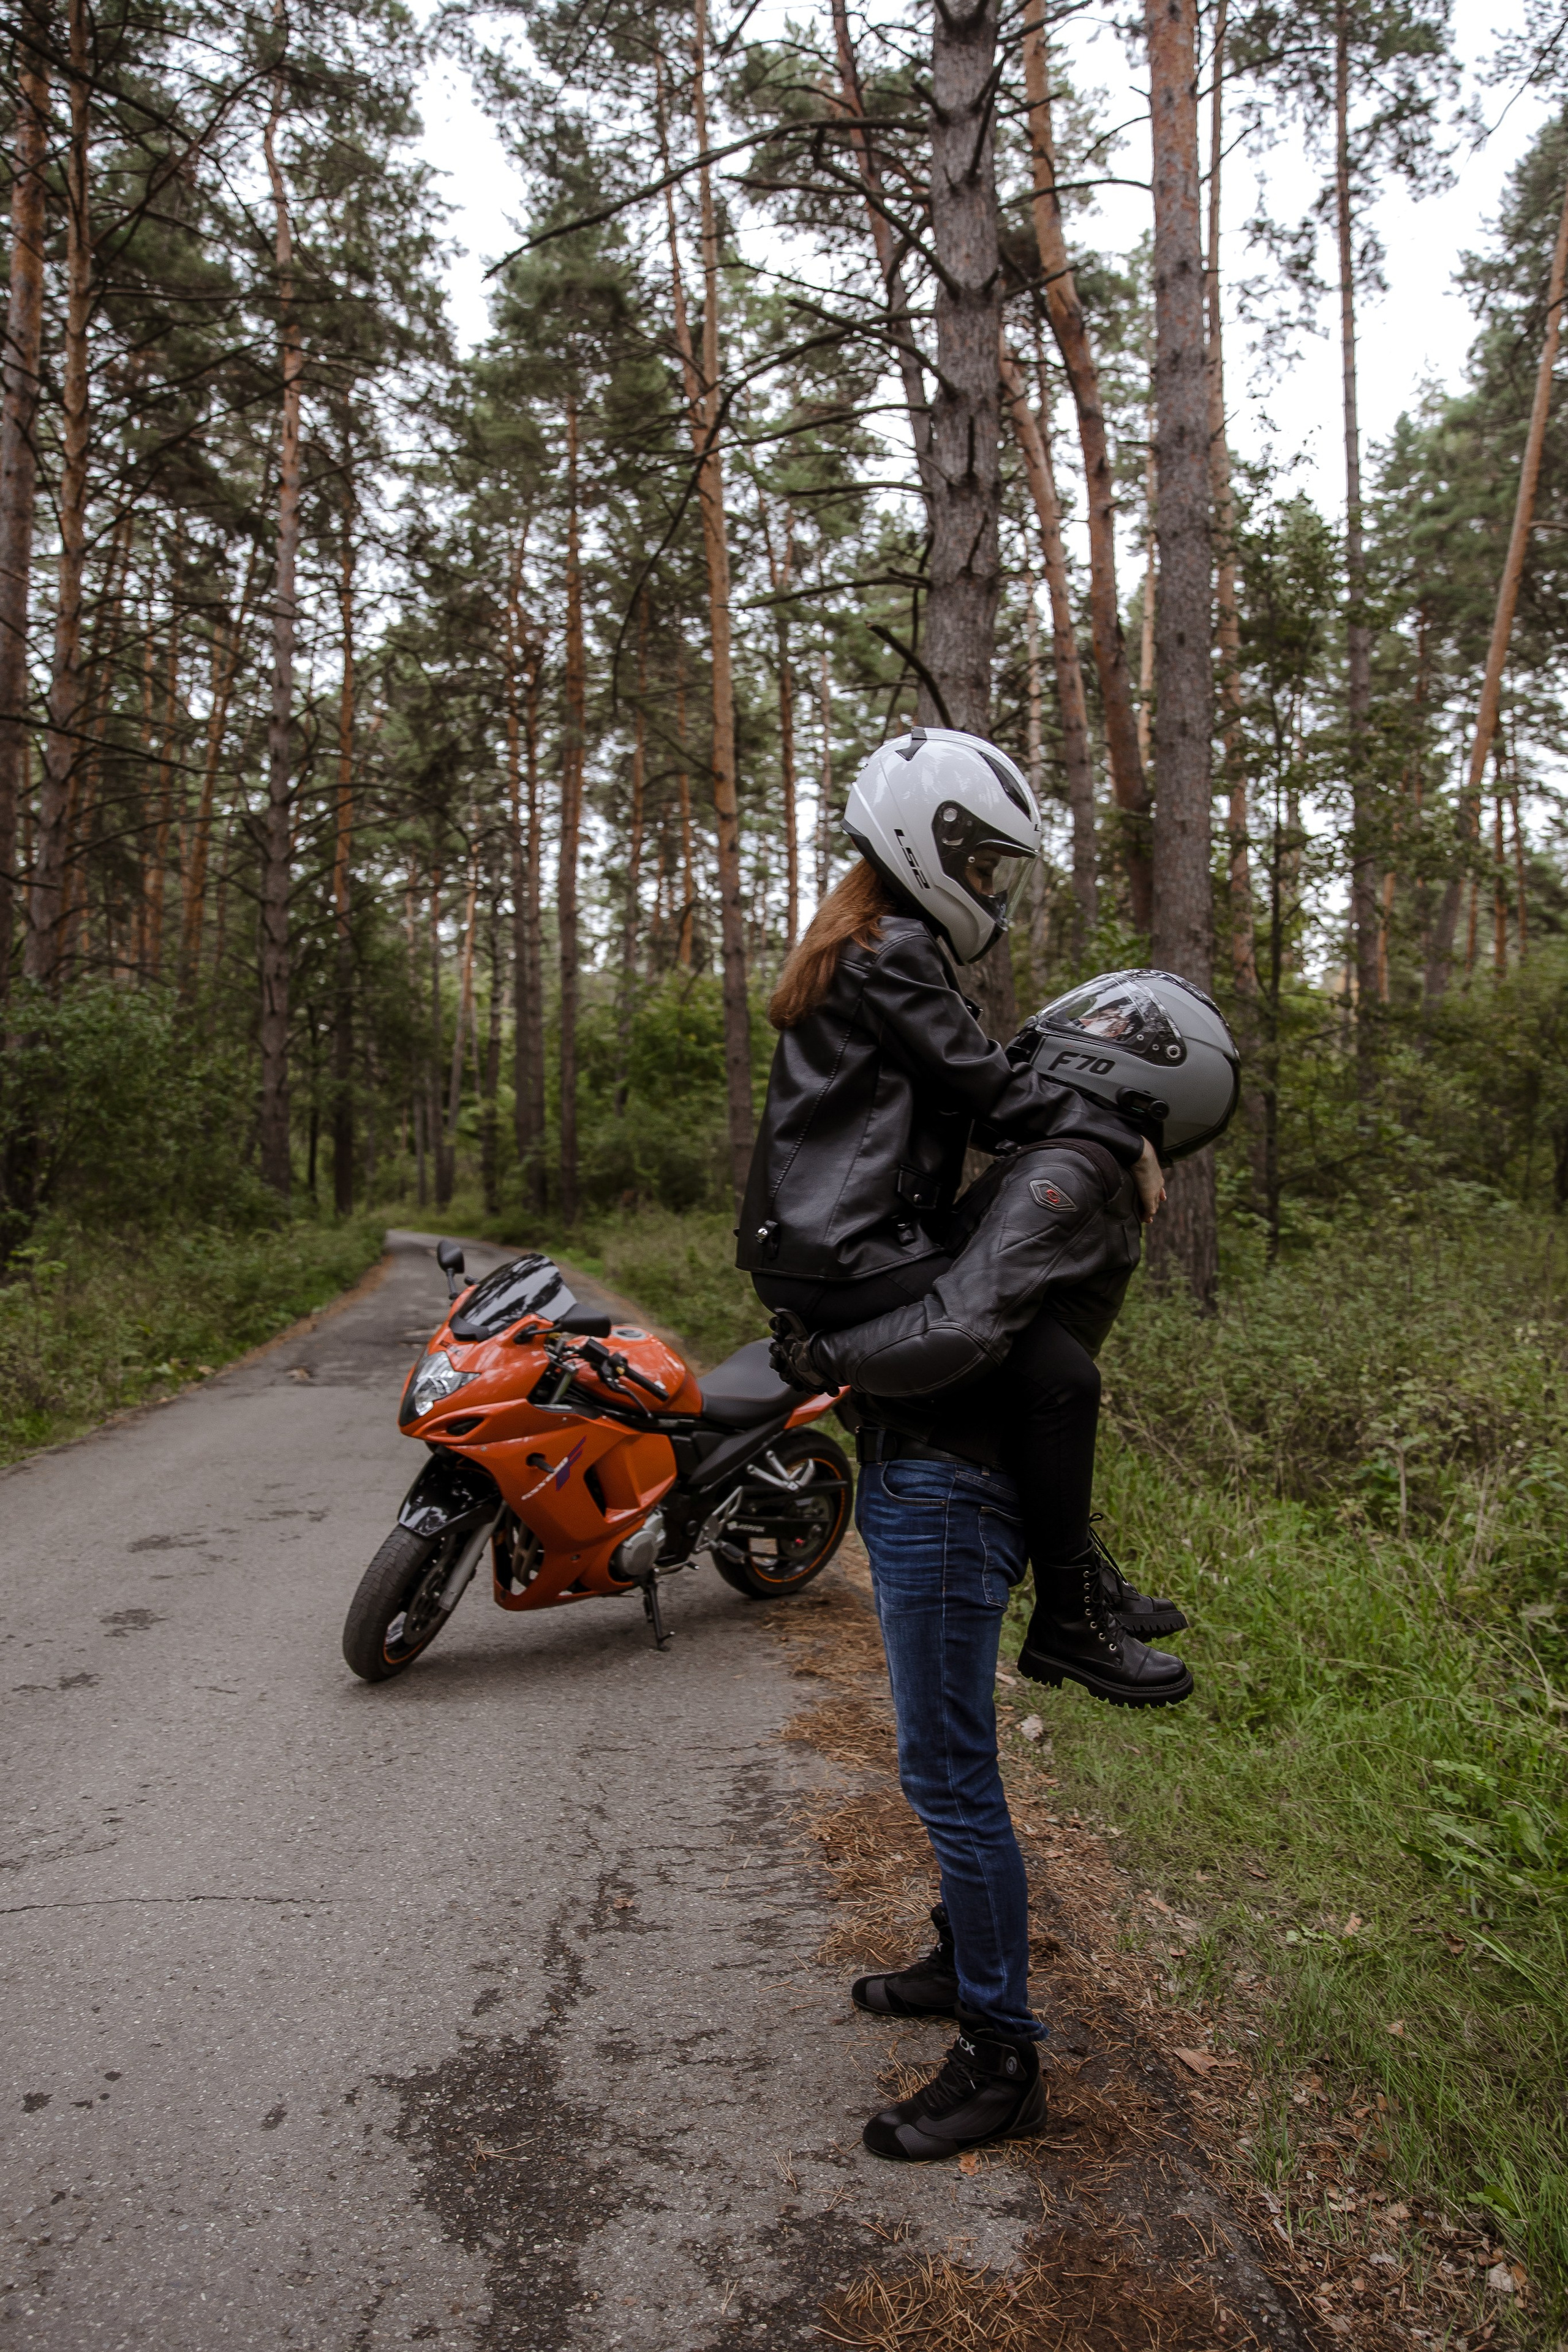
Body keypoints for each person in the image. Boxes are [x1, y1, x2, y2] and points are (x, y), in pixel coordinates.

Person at [738, 729, 1239, 2163]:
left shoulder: (879, 964)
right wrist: (1110, 1124)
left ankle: (1001, 2054)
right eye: (975, 856)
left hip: (942, 1485)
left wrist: (826, 1362)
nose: (985, 886)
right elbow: (989, 1091)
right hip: (902, 1401)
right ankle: (1078, 1599)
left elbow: (984, 1280)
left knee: (949, 1774)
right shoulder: (898, 959)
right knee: (1048, 1368)